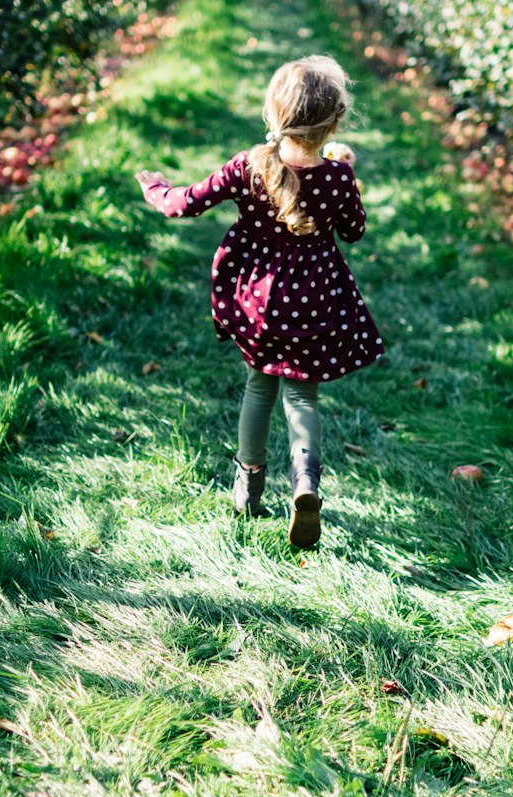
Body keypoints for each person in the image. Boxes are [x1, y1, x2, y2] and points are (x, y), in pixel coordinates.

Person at [136, 54, 384, 548]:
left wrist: (155, 186)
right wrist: (348, 173)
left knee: (258, 389)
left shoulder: (249, 166)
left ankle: (247, 489)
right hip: (314, 302)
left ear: (273, 117)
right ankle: (306, 485)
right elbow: (354, 231)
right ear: (334, 122)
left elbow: (184, 203)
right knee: (302, 396)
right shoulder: (335, 177)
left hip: (258, 300)